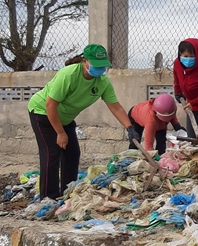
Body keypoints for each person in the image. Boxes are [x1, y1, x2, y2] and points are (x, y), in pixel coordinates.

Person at [27, 44, 139, 199]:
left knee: (72, 153)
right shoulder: (68, 75)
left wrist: (130, 128)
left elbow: (116, 107)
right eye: (96, 65)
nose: (100, 69)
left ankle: (67, 192)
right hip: (43, 113)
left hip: (65, 118)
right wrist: (60, 133)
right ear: (85, 61)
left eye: (102, 66)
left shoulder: (102, 82)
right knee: (52, 154)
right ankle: (48, 198)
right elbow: (50, 105)